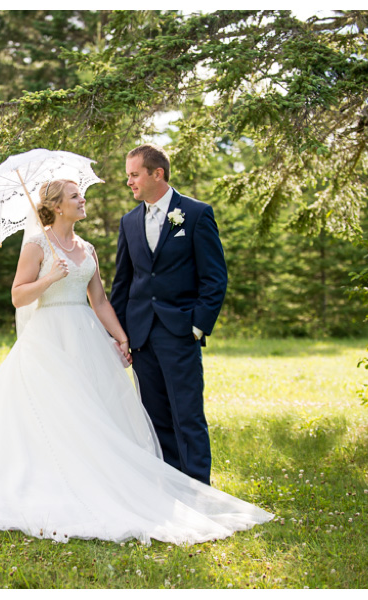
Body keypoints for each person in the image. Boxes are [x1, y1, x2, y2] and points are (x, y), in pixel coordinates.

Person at [0, 179, 272, 545]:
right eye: (75, 197)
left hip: (85, 335)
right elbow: (17, 295)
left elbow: (99, 299)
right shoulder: (35, 244)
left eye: (81, 195)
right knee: (55, 413)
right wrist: (49, 276)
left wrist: (121, 338)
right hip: (49, 338)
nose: (83, 200)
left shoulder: (87, 247)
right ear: (56, 206)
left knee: (94, 414)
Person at [110, 144, 226, 486]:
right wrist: (118, 334)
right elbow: (123, 282)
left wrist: (196, 326)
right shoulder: (129, 221)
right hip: (141, 334)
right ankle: (171, 487)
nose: (128, 181)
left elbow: (214, 278)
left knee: (187, 415)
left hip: (179, 331)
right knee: (155, 417)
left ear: (156, 173)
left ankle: (198, 489)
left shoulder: (196, 213)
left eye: (134, 174)